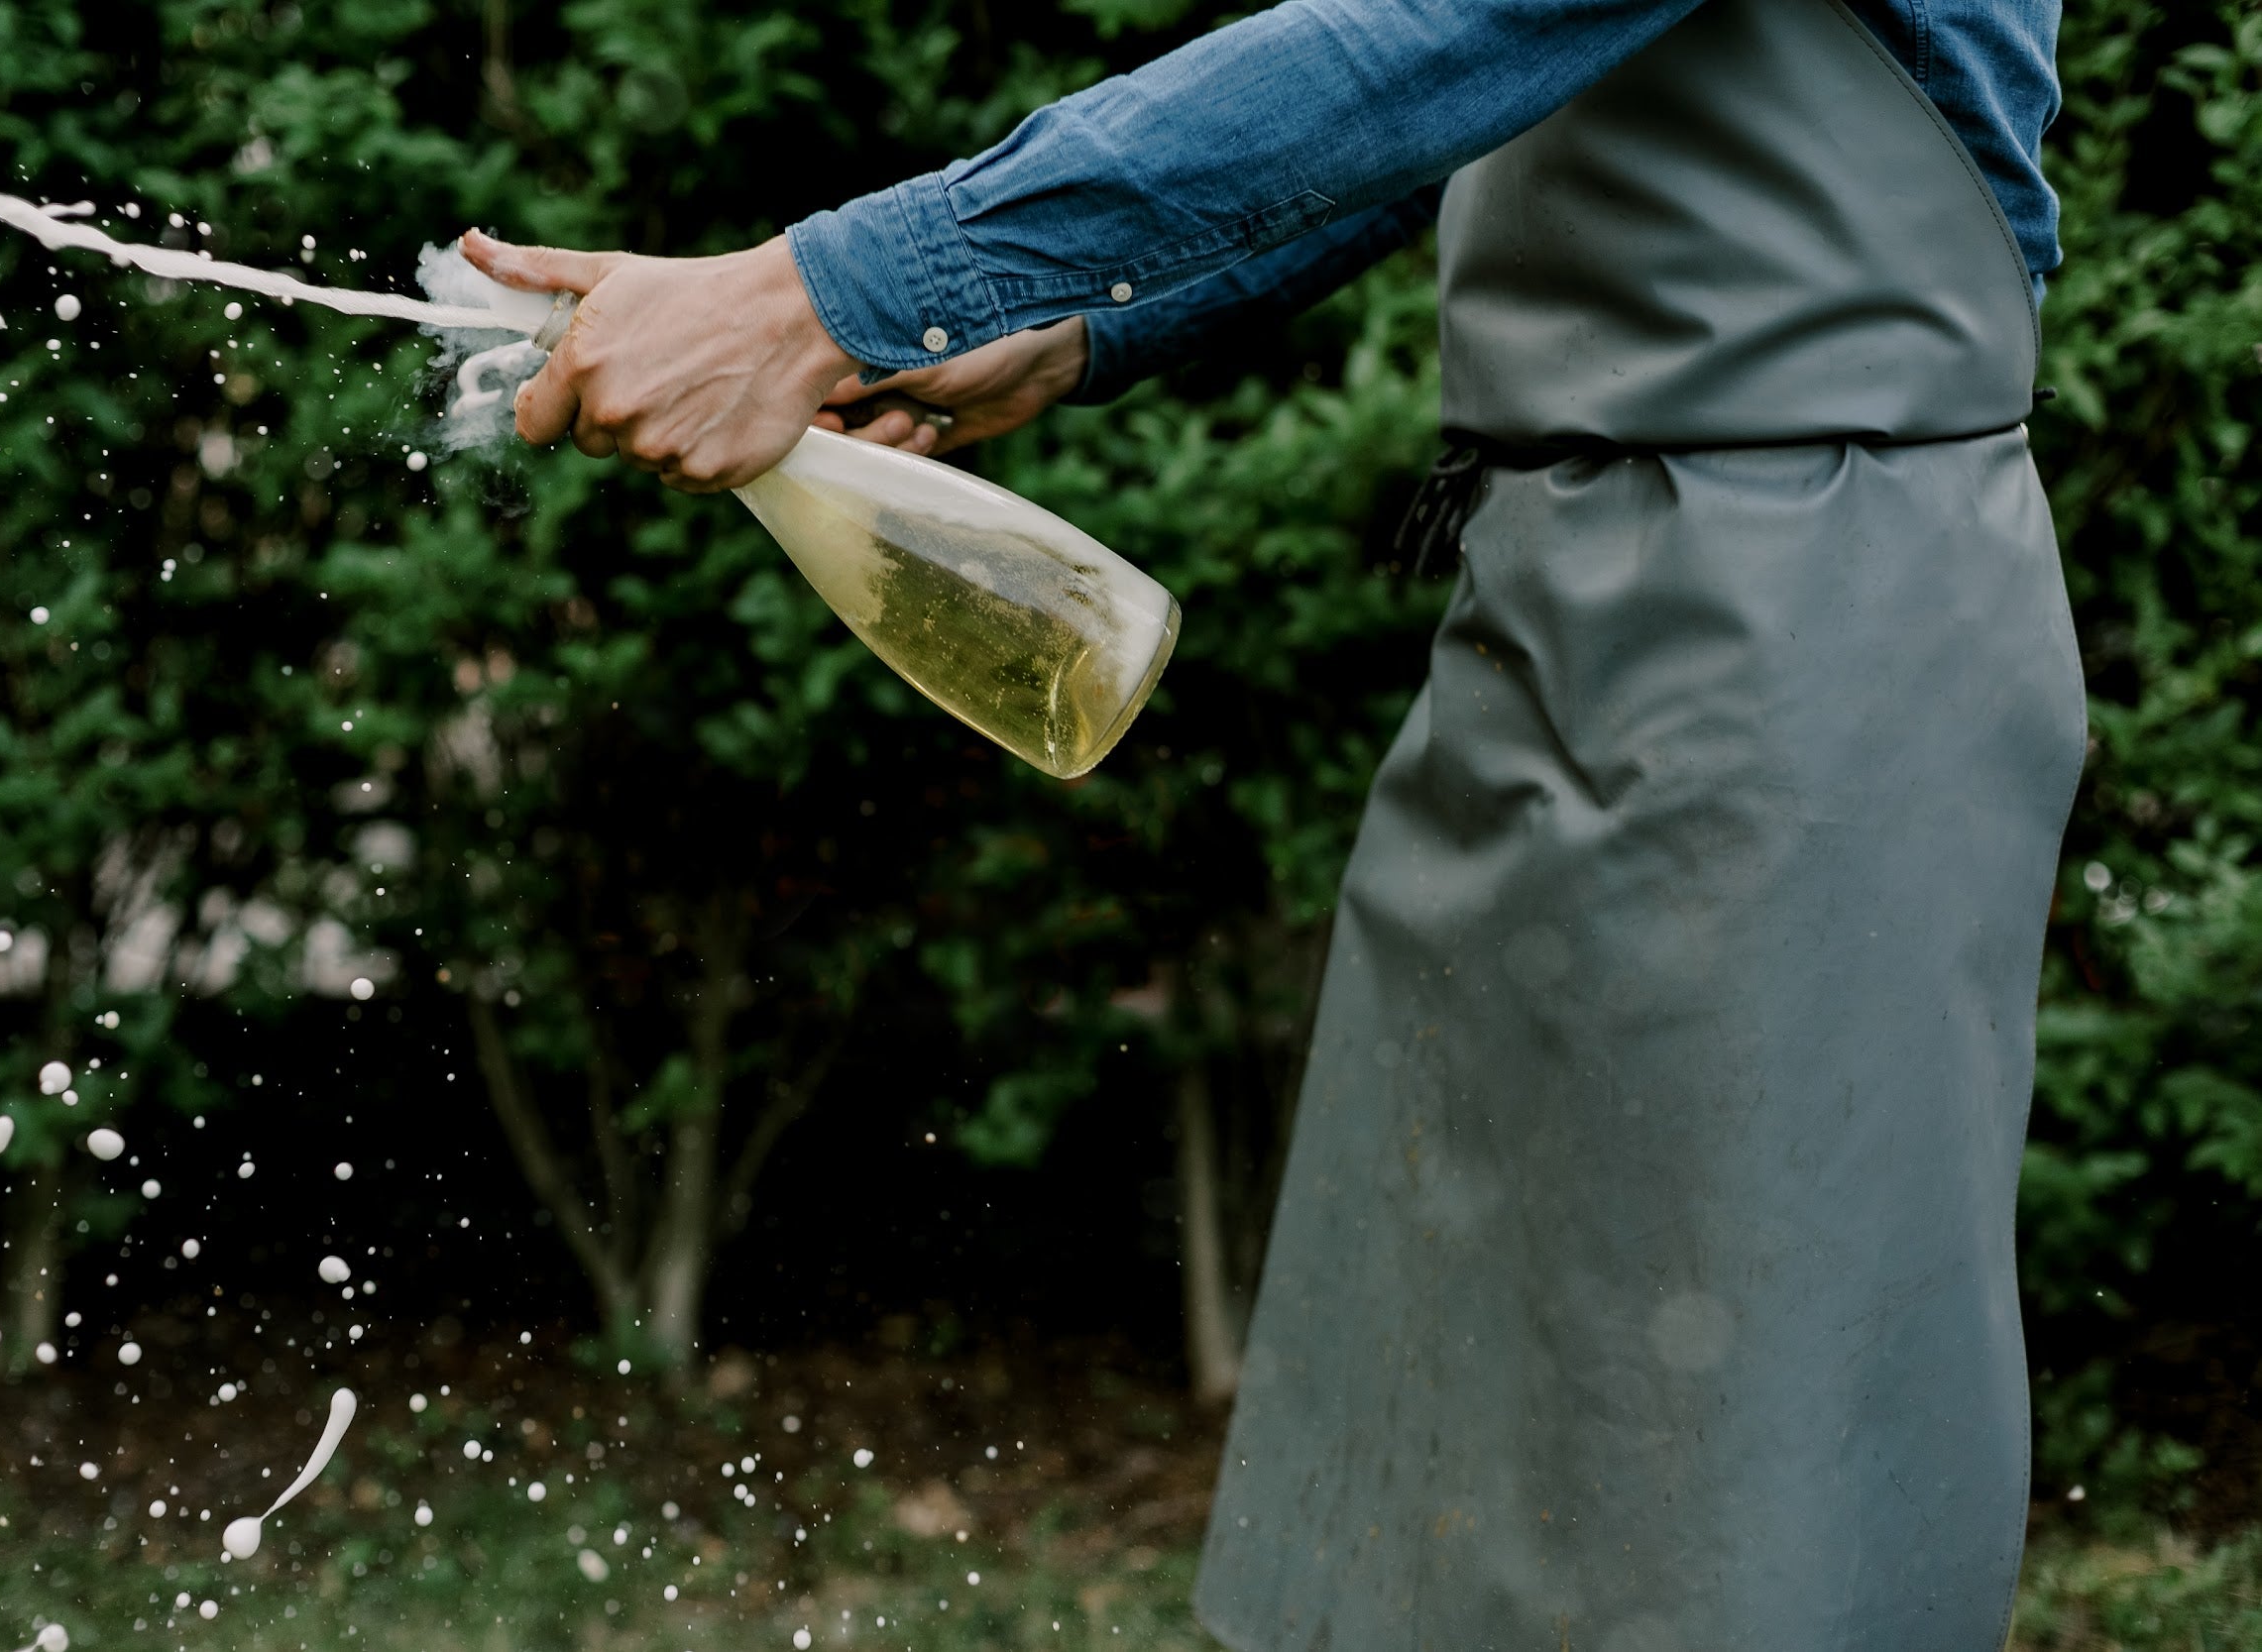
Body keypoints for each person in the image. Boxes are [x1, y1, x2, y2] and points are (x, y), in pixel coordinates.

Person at [465, 0, 2085, 1643]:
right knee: (1468, 1494)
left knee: (1738, 1499)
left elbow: (1450, 28)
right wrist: (1088, 323)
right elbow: (1487, 90)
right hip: (1579, 595)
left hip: (1811, 632)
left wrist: (813, 294)